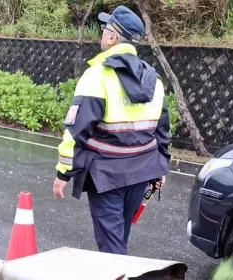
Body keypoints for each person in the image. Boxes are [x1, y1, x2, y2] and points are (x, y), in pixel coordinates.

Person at [52, 5, 171, 255]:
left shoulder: (97, 76)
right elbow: (161, 131)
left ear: (113, 37)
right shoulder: (154, 80)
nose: (102, 32)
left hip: (106, 175)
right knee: (119, 240)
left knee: (112, 248)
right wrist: (160, 169)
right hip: (141, 172)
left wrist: (63, 173)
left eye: (105, 28)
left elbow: (76, 131)